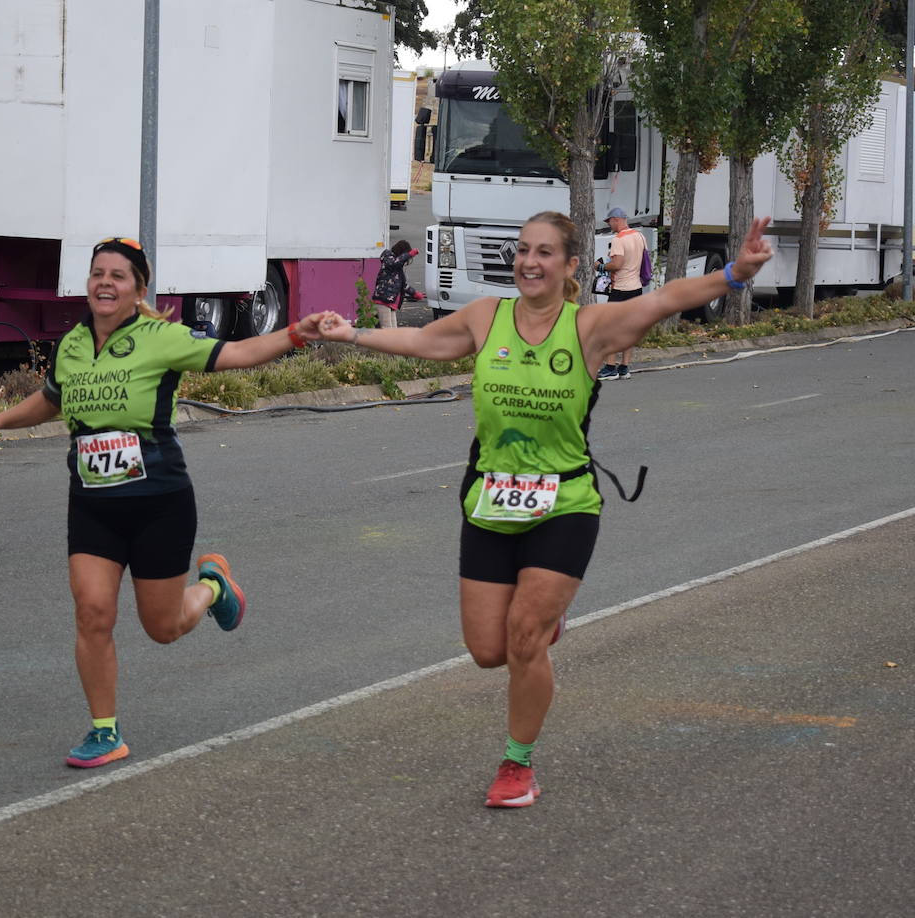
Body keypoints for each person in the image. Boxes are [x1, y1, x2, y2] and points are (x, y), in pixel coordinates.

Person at [316, 211, 773, 807]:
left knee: (524, 636)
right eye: (523, 251)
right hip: (490, 502)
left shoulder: (589, 329)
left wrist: (734, 274)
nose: (529, 262)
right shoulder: (488, 318)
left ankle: (517, 764)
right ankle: (541, 620)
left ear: (570, 265)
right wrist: (350, 334)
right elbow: (424, 342)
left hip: (565, 503)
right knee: (488, 650)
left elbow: (664, 300)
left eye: (545, 252)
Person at [0, 237, 327, 769]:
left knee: (164, 628)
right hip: (92, 504)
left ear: (138, 290)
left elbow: (237, 354)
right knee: (92, 613)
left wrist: (295, 334)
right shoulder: (71, 346)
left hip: (159, 502)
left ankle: (212, 586)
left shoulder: (162, 338)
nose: (104, 283)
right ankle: (105, 731)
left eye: (117, 275)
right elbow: (51, 401)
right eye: (97, 274)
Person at [596, 206, 648, 381]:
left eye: (609, 221)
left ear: (616, 220)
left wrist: (600, 266)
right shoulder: (639, 236)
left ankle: (611, 367)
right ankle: (625, 367)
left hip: (620, 289)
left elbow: (617, 264)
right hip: (636, 288)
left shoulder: (619, 239)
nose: (609, 224)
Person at [370, 240, 426, 329]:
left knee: (393, 330)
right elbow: (393, 263)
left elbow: (403, 285)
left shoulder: (398, 268)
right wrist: (409, 254)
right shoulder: (388, 257)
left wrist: (414, 293)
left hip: (391, 302)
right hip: (382, 300)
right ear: (401, 253)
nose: (406, 261)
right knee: (387, 330)